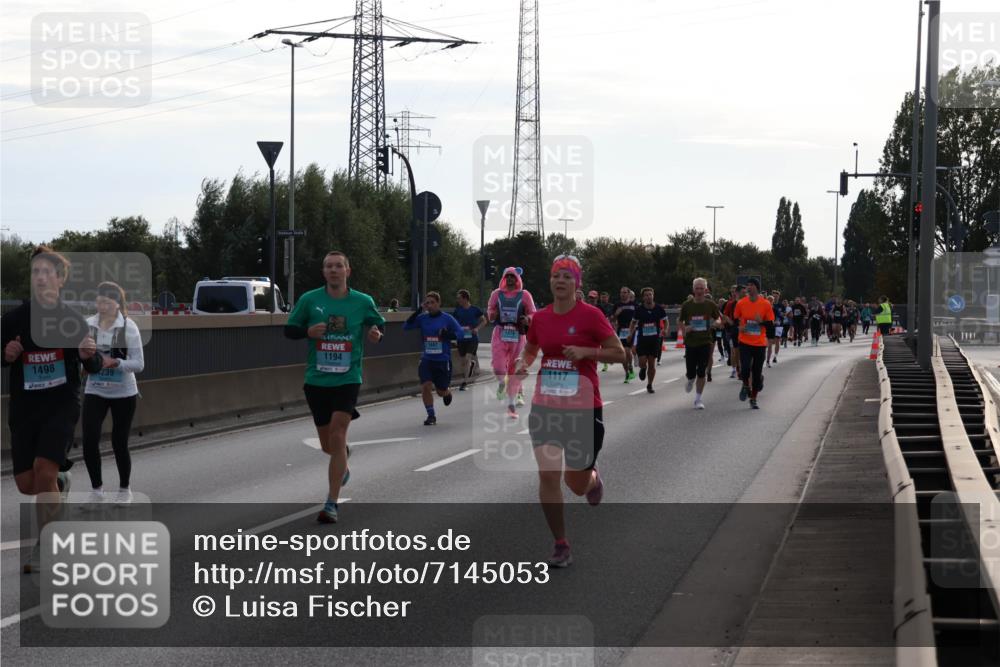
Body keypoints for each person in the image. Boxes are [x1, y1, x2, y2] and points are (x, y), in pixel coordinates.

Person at [514, 255, 624, 568]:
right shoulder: (540, 318)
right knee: (548, 474)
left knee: (575, 484)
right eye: (556, 276)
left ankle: (592, 480)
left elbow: (620, 353)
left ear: (577, 283)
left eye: (567, 276)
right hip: (546, 406)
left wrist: (587, 351)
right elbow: (531, 348)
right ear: (550, 281)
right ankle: (560, 544)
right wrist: (523, 363)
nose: (560, 281)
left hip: (583, 408)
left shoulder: (591, 315)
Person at [2, 246, 103, 572]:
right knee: (27, 483)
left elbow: (95, 363)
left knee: (43, 469)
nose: (41, 277)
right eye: (36, 272)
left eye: (47, 272)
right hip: (25, 408)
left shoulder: (72, 321)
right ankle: (60, 483)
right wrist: (6, 354)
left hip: (61, 404)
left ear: (60, 280)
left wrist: (89, 356)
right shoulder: (14, 319)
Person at [284, 251, 385, 524]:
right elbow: (289, 330)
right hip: (316, 380)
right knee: (328, 446)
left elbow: (378, 324)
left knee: (338, 435)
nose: (333, 270)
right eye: (328, 266)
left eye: (338, 266)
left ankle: (331, 503)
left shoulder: (362, 301)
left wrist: (376, 334)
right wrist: (307, 332)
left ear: (347, 271)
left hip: (348, 378)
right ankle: (343, 462)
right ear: (323, 272)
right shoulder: (310, 299)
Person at [82, 281, 145, 507]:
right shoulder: (88, 325)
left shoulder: (129, 327)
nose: (102, 307)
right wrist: (83, 362)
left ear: (117, 304)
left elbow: (139, 364)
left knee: (119, 442)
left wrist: (115, 362)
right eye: (99, 302)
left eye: (107, 303)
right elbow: (80, 356)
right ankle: (97, 491)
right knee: (89, 440)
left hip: (123, 393)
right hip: (95, 389)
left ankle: (125, 489)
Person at [404, 292, 465, 425]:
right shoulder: (422, 318)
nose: (430, 305)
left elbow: (461, 333)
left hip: (442, 360)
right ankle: (431, 416)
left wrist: (447, 335)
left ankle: (446, 393)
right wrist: (419, 310)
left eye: (432, 302)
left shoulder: (447, 318)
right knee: (426, 386)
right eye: (428, 303)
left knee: (440, 391)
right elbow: (406, 326)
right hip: (427, 359)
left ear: (439, 303)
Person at [487, 267, 537, 418]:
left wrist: (528, 319)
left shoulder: (525, 295)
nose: (510, 279)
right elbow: (490, 310)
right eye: (507, 276)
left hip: (517, 334)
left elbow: (533, 313)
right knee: (498, 366)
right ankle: (502, 382)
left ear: (517, 279)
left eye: (512, 276)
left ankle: (511, 403)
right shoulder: (496, 294)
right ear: (504, 278)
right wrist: (492, 314)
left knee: (515, 369)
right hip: (500, 333)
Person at [679, 278, 721, 409]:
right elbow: (680, 321)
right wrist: (685, 329)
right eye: (697, 288)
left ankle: (698, 399)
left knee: (702, 372)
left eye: (701, 288)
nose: (699, 291)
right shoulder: (687, 305)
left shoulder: (710, 304)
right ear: (693, 289)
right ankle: (690, 379)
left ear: (705, 290)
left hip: (705, 341)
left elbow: (719, 318)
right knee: (691, 373)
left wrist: (716, 323)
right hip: (691, 343)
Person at [734, 277, 773, 410]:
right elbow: (735, 320)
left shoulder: (765, 304)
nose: (748, 287)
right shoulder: (741, 303)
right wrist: (739, 327)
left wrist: (761, 322)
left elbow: (770, 324)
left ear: (757, 287)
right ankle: (746, 385)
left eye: (751, 285)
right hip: (745, 341)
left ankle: (754, 398)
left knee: (757, 373)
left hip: (759, 343)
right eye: (747, 285)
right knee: (745, 369)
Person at [628, 287, 667, 393]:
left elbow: (665, 321)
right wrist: (630, 333)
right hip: (642, 340)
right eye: (646, 295)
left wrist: (665, 329)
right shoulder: (639, 309)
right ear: (643, 297)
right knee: (642, 361)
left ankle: (650, 384)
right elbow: (633, 323)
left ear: (653, 296)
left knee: (652, 364)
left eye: (650, 294)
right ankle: (642, 368)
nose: (648, 296)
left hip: (654, 340)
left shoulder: (659, 308)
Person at [452, 289, 486, 391]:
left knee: (467, 358)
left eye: (459, 298)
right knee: (463, 361)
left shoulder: (475, 310)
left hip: (472, 338)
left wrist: (477, 329)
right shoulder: (457, 311)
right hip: (461, 339)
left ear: (465, 298)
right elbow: (453, 323)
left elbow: (484, 321)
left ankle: (464, 382)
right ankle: (471, 365)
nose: (458, 300)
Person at [612, 287, 637, 383]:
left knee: (627, 351)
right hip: (621, 331)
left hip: (631, 330)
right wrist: (616, 314)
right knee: (623, 353)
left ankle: (630, 365)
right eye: (621, 292)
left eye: (625, 292)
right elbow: (612, 319)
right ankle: (627, 372)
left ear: (628, 294)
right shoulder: (617, 305)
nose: (623, 294)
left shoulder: (634, 305)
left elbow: (639, 317)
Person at [597, 291, 615, 372]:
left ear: (608, 298)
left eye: (605, 297)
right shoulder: (598, 306)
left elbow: (614, 316)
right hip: (600, 327)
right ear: (600, 298)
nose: (603, 299)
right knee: (603, 345)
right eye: (602, 297)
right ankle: (605, 364)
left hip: (610, 327)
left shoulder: (612, 306)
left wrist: (611, 318)